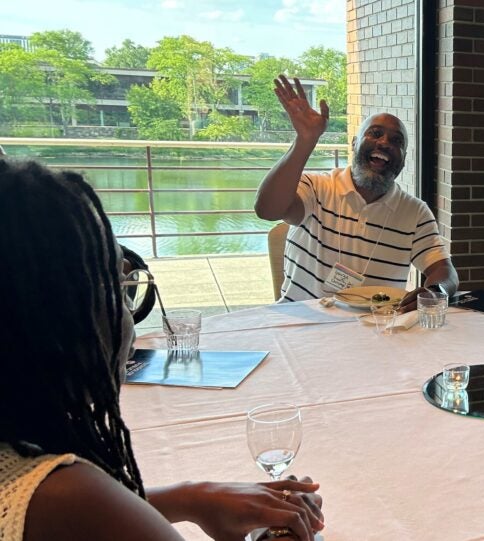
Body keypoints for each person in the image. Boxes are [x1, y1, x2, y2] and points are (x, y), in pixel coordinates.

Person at [0, 159, 324, 541]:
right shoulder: (70, 497)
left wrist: (190, 498)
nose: (130, 318)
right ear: (55, 316)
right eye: (118, 287)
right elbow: (79, 513)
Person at [255, 75, 458, 310]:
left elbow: (445, 271)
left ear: (402, 160)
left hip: (376, 331)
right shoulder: (316, 187)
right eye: (374, 133)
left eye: (396, 141)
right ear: (353, 143)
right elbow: (267, 210)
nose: (384, 143)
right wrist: (305, 140)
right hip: (303, 330)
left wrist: (436, 291)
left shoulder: (415, 212)